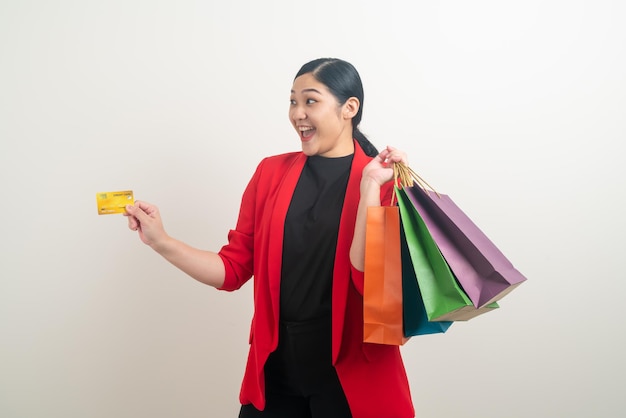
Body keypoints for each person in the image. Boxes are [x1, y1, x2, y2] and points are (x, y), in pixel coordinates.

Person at [124, 58, 415, 418]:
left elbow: (368, 280)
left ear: (349, 108)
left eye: (310, 101)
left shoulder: (385, 183)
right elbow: (232, 270)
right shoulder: (269, 174)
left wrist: (370, 187)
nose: (297, 114)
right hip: (277, 372)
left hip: (353, 377)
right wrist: (161, 241)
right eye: (293, 101)